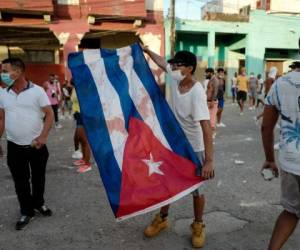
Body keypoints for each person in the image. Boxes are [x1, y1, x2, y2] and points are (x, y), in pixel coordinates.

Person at [142, 47, 214, 248]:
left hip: (193, 147)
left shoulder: (197, 92)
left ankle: (198, 224)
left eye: (178, 64)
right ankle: (162, 219)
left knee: (196, 190)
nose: (173, 67)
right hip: (172, 144)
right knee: (167, 184)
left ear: (190, 69)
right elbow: (161, 62)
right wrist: (146, 51)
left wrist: (208, 160)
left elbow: (206, 127)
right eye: (173, 64)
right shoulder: (175, 77)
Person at [0, 58, 54, 230]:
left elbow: (50, 114)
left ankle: (39, 203)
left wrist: (43, 136)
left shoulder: (37, 91)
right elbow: (1, 118)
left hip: (36, 145)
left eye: (5, 70)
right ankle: (27, 211)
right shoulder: (3, 93)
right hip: (14, 146)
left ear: (18, 71)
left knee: (38, 178)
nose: (2, 74)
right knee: (20, 181)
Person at [261, 60, 300, 250]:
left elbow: (266, 126)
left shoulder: (281, 83)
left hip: (290, 161)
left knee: (291, 212)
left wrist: (269, 159)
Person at [71, 81, 92, 173]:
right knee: (78, 137)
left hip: (83, 115)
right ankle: (84, 159)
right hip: (78, 115)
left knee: (84, 140)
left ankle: (87, 164)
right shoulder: (74, 88)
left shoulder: (85, 88)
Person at [205, 68, 219, 138]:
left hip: (212, 102)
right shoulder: (211, 80)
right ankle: (211, 132)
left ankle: (213, 132)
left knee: (212, 119)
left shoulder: (215, 80)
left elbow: (216, 91)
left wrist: (213, 101)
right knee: (208, 118)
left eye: (206, 73)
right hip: (208, 102)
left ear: (210, 73)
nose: (205, 74)